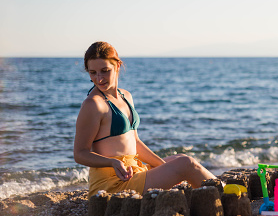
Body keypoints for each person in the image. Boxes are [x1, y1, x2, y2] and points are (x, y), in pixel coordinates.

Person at [74, 41, 216, 199]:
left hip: (134, 170)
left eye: (105, 71)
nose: (99, 78)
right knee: (186, 164)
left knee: (180, 158)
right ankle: (224, 194)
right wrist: (112, 162)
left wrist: (163, 167)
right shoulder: (93, 104)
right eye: (93, 73)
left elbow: (135, 142)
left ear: (117, 66)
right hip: (112, 184)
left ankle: (216, 193)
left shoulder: (126, 96)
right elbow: (80, 153)